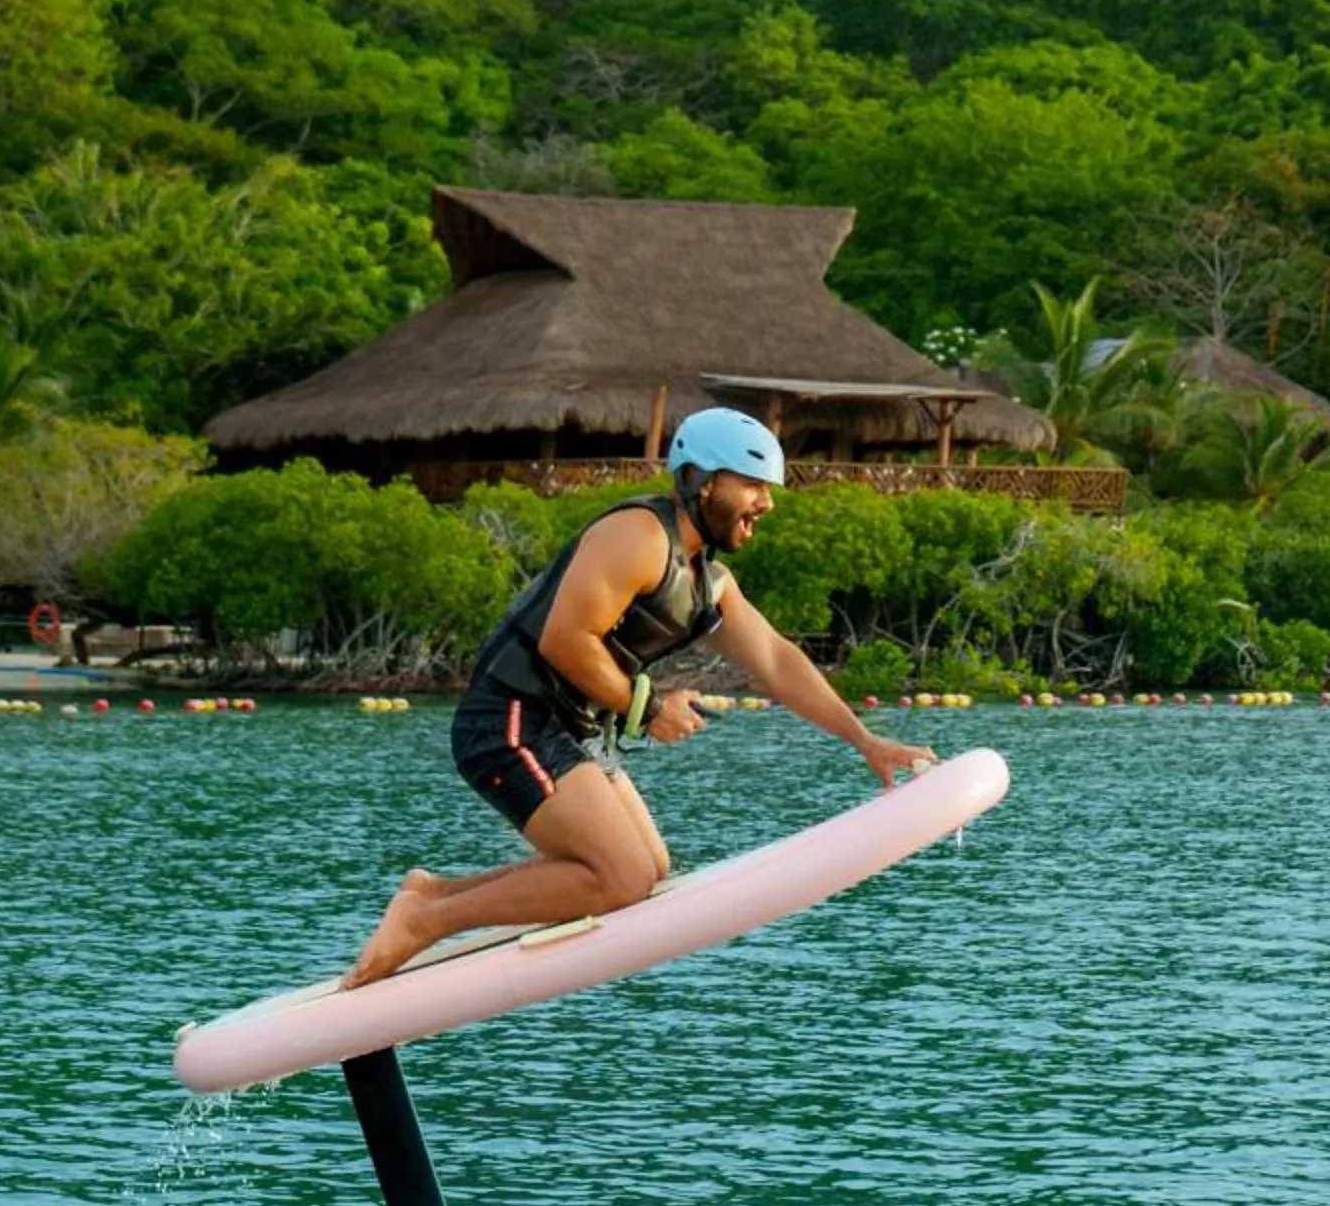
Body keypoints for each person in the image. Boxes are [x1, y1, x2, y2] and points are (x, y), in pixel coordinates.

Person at [342, 407, 938, 988]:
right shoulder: (638, 535)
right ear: (702, 483)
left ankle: (433, 893)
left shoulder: (708, 581)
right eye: (753, 484)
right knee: (619, 877)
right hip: (512, 721)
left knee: (647, 870)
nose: (767, 503)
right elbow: (565, 640)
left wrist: (866, 741)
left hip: (570, 730)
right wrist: (650, 709)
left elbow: (777, 660)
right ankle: (426, 921)